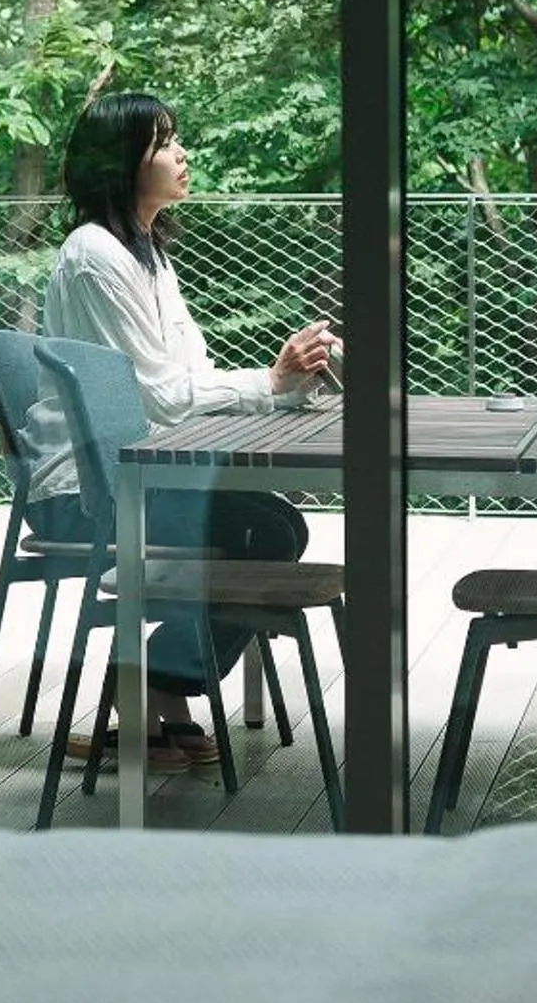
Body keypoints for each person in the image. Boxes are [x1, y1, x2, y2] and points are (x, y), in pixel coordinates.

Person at [20, 92, 339, 771]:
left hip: (137, 476)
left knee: (273, 524)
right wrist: (273, 385)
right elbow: (164, 400)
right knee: (265, 533)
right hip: (85, 494)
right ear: (122, 163)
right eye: (165, 143)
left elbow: (189, 378)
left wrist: (285, 389)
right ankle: (152, 681)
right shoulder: (94, 257)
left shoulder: (147, 256)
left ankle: (158, 696)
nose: (182, 154)